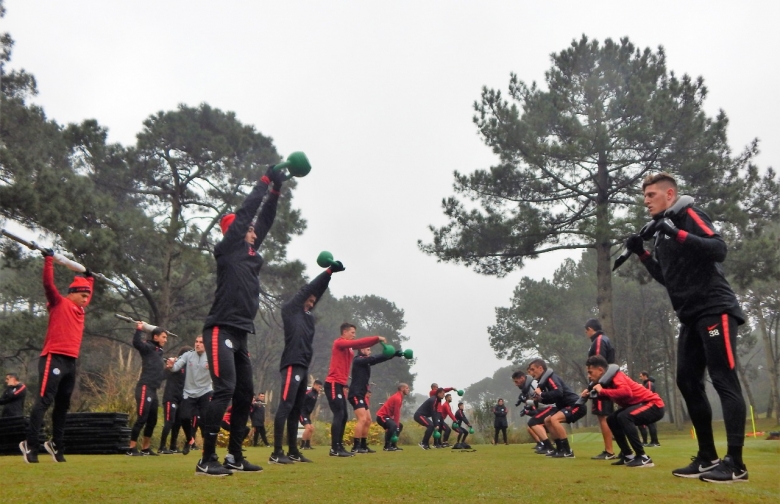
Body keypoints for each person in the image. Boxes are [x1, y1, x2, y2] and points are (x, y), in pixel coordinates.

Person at [627, 172, 748, 482]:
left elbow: (718, 248)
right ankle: (707, 457)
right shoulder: (661, 232)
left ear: (670, 194)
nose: (646, 200)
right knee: (687, 381)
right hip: (691, 315)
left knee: (723, 379)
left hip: (715, 308)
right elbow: (668, 277)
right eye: (644, 196)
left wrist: (677, 231)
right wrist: (641, 252)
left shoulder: (688, 213)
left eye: (651, 195)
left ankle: (735, 463)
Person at [197, 165, 284, 476]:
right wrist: (263, 181)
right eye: (247, 228)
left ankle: (234, 455)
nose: (253, 231)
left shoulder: (249, 253)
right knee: (225, 389)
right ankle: (206, 458)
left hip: (241, 333)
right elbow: (248, 213)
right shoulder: (227, 250)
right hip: (220, 329)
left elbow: (265, 220)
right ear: (235, 231)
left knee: (245, 394)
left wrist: (276, 190)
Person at [21, 251, 93, 464]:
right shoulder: (59, 303)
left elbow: (88, 290)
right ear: (72, 293)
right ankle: (30, 445)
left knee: (62, 405)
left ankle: (56, 445)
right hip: (54, 357)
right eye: (83, 295)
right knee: (44, 401)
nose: (86, 299)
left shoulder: (80, 308)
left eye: (88, 296)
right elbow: (48, 284)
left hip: (71, 361)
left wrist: (89, 277)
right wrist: (49, 260)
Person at [271, 267, 336, 465]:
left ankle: (292, 451)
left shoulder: (309, 318)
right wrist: (327, 271)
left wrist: (329, 277)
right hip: (291, 363)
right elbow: (308, 289)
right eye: (308, 300)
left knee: (296, 409)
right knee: (286, 406)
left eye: (313, 302)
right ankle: (276, 453)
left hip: (303, 366)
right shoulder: (290, 311)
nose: (310, 303)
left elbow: (318, 292)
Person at [584, 355, 665, 468]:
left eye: (590, 372)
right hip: (640, 405)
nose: (589, 376)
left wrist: (602, 391)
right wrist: (591, 395)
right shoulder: (607, 381)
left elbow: (626, 392)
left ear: (600, 370)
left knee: (624, 417)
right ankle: (628, 456)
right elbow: (611, 395)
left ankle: (643, 457)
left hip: (654, 405)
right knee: (612, 419)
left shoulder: (617, 376)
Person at [325, 323, 386, 457]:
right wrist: (377, 339)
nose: (354, 335)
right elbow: (360, 342)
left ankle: (339, 447)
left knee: (344, 415)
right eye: (352, 332)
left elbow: (360, 345)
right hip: (333, 383)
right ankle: (335, 448)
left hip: (340, 385)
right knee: (339, 414)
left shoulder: (350, 348)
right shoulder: (339, 342)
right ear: (344, 332)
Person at [528, 358, 585, 458]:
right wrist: (540, 398)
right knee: (548, 420)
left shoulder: (551, 378)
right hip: (566, 406)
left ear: (540, 368)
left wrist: (541, 393)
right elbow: (552, 398)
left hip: (575, 405)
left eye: (533, 369)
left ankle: (567, 451)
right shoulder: (544, 382)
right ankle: (560, 449)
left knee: (554, 419)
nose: (531, 372)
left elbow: (558, 392)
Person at [127, 322, 168, 456]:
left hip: (153, 389)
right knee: (142, 418)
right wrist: (139, 329)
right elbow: (136, 343)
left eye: (166, 338)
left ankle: (145, 448)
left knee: (152, 420)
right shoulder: (148, 347)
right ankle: (131, 448)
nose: (165, 340)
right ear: (155, 337)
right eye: (163, 337)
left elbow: (161, 376)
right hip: (144, 387)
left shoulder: (159, 352)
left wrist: (168, 369)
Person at [348, 346, 398, 453]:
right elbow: (374, 359)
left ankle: (363, 445)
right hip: (355, 394)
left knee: (368, 420)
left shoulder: (365, 362)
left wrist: (392, 355)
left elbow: (376, 360)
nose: (370, 351)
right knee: (362, 419)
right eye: (368, 349)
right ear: (361, 350)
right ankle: (355, 447)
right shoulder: (358, 360)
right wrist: (388, 354)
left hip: (361, 395)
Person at [171, 335, 213, 456]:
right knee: (184, 417)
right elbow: (175, 367)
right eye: (196, 341)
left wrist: (213, 368)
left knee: (205, 420)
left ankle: (207, 449)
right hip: (189, 393)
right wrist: (171, 365)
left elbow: (220, 372)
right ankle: (190, 439)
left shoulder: (211, 356)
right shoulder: (188, 355)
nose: (198, 344)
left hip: (205, 391)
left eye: (201, 342)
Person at [584, 318, 617, 460]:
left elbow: (598, 364)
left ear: (590, 329)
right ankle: (620, 450)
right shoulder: (606, 339)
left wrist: (592, 385)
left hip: (602, 385)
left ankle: (609, 451)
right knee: (609, 417)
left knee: (603, 417)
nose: (586, 334)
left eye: (586, 331)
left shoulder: (598, 341)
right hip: (607, 382)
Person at [158, 346, 190, 454]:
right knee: (169, 422)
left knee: (178, 423)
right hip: (170, 398)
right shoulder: (176, 365)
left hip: (181, 399)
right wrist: (168, 366)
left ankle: (173, 446)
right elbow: (162, 376)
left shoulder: (188, 368)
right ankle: (162, 447)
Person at [511, 370, 542, 451]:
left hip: (549, 407)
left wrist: (527, 409)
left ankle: (547, 445)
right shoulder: (527, 388)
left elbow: (541, 400)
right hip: (544, 408)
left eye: (516, 381)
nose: (515, 384)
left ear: (522, 378)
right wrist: (527, 403)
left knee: (533, 423)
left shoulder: (534, 384)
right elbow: (534, 402)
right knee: (532, 425)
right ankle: (545, 444)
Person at [376, 383, 409, 451]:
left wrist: (397, 425)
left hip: (387, 417)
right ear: (402, 389)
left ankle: (393, 445)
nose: (408, 390)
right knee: (393, 426)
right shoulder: (397, 398)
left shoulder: (399, 397)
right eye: (407, 388)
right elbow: (396, 413)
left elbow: (395, 413)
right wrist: (396, 425)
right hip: (381, 417)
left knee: (400, 426)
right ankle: (387, 446)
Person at [637, 371, 661, 447]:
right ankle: (650, 441)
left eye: (641, 376)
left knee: (651, 424)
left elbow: (649, 394)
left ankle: (655, 442)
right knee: (645, 424)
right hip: (646, 405)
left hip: (650, 405)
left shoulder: (649, 383)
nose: (640, 378)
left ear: (645, 376)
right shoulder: (646, 384)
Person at [299, 381, 322, 450]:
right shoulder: (308, 393)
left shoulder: (316, 393)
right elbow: (301, 401)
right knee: (308, 428)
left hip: (307, 414)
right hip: (302, 412)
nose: (319, 389)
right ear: (314, 385)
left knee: (312, 429)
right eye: (319, 387)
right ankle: (302, 445)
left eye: (320, 387)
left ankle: (308, 445)